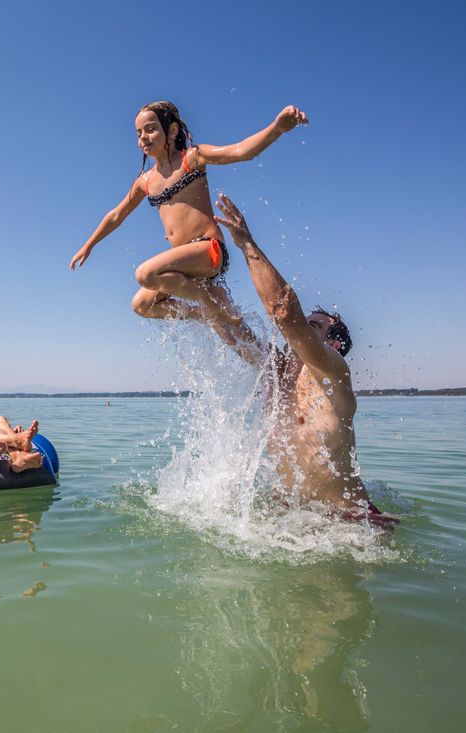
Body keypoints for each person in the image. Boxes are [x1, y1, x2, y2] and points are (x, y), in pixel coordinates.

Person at [211, 193, 398, 528]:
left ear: (334, 343)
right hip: (291, 512)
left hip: (348, 520)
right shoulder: (277, 370)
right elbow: (229, 332)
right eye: (307, 326)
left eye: (315, 327)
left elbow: (285, 313)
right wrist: (202, 286)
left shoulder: (333, 372)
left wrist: (247, 244)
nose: (303, 333)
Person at [70, 101, 308, 359]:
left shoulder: (192, 159)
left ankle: (209, 303)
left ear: (171, 131)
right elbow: (116, 214)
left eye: (150, 129)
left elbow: (240, 152)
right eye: (138, 133)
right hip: (187, 267)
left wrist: (277, 128)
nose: (143, 138)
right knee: (142, 305)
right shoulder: (145, 181)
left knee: (145, 273)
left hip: (208, 250)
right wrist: (89, 245)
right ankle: (263, 355)